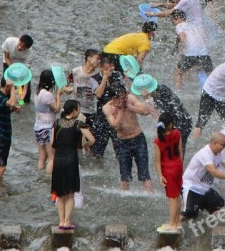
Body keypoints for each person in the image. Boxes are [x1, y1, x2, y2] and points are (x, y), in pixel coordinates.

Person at [51, 100, 95, 231]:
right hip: (71, 159)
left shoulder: (56, 123)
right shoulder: (78, 124)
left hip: (58, 160)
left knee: (59, 194)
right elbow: (92, 139)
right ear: (74, 110)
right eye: (78, 109)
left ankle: (60, 221)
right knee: (70, 194)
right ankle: (67, 222)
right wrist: (85, 145)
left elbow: (53, 144)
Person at [103, 83, 153, 192]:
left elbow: (145, 111)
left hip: (138, 139)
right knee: (124, 177)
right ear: (113, 99)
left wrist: (130, 106)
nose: (123, 100)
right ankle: (124, 199)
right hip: (122, 143)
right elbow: (115, 125)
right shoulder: (107, 108)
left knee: (145, 174)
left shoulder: (129, 99)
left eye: (124, 96)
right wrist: (121, 110)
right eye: (120, 98)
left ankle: (150, 195)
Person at [181, 132, 225, 221]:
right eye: (223, 145)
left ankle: (207, 225)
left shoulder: (219, 154)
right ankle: (171, 225)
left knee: (219, 206)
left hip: (205, 189)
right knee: (189, 213)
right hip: (192, 187)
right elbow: (213, 172)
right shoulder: (205, 154)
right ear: (215, 143)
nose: (224, 148)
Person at [131, 74, 193, 148]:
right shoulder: (159, 89)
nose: (141, 95)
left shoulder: (162, 94)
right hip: (180, 121)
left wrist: (146, 99)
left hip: (182, 123)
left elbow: (154, 114)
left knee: (176, 152)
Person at [88, 55, 127, 158]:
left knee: (121, 148)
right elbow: (98, 94)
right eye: (106, 69)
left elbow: (124, 92)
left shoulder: (117, 75)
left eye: (110, 69)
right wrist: (105, 78)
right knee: (97, 150)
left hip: (116, 115)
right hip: (101, 116)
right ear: (100, 67)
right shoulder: (93, 79)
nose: (108, 71)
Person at [154, 113, 183, 232]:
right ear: (170, 124)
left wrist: (160, 175)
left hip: (168, 170)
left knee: (172, 199)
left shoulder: (158, 141)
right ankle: (176, 222)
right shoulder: (177, 133)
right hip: (178, 167)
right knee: (177, 196)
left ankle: (171, 225)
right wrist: (181, 166)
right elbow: (181, 151)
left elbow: (157, 161)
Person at [170, 10, 212, 89]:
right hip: (204, 53)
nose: (173, 23)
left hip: (191, 53)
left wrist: (181, 53)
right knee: (210, 75)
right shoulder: (193, 26)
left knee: (178, 72)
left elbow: (183, 39)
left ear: (178, 18)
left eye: (173, 20)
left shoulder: (180, 26)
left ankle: (179, 93)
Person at [0, 78, 20, 186]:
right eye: (12, 87)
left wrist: (12, 110)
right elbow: (12, 102)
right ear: (7, 86)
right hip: (0, 137)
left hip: (1, 136)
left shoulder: (1, 97)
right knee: (1, 167)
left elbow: (6, 108)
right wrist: (12, 88)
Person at [34, 70, 62, 172]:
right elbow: (57, 109)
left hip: (38, 127)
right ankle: (48, 178)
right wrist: (59, 95)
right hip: (48, 127)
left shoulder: (37, 93)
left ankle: (40, 176)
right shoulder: (47, 95)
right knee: (52, 157)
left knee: (42, 157)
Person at [70, 49, 101, 134]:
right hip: (76, 110)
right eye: (97, 58)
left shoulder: (98, 75)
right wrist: (67, 89)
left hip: (91, 110)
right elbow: (65, 85)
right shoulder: (75, 71)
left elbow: (99, 93)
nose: (99, 61)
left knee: (89, 137)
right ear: (89, 58)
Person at [1, 34, 34, 103]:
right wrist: (13, 69)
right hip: (9, 61)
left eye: (23, 48)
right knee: (7, 82)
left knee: (25, 90)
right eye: (19, 45)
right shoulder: (9, 42)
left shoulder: (30, 53)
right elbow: (6, 57)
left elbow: (27, 72)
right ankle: (6, 100)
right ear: (19, 40)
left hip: (22, 65)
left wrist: (24, 91)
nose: (20, 48)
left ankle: (24, 102)